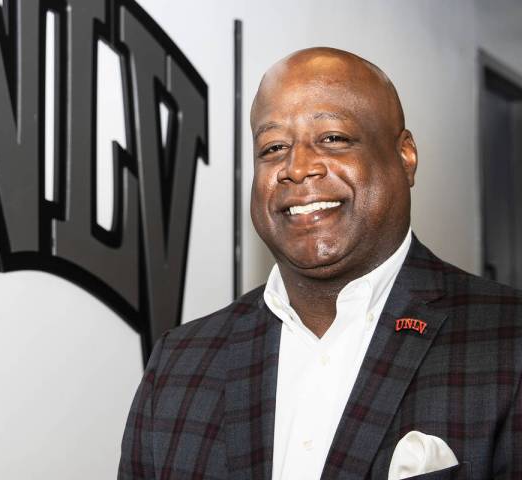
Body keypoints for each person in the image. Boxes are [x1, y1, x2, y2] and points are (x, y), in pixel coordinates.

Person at [118, 47, 522, 479]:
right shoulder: (179, 362)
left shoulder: (507, 339)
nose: (297, 168)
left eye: (332, 138)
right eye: (273, 147)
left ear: (405, 156)